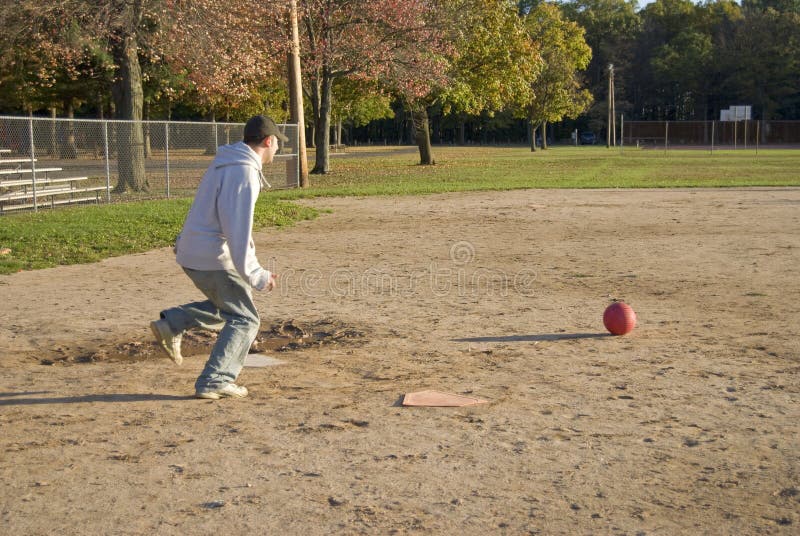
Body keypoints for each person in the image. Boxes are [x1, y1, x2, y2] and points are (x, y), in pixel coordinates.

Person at [150, 115, 287, 400]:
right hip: (212, 255)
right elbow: (235, 227)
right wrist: (256, 273)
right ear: (268, 141)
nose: (277, 150)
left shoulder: (227, 163)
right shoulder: (243, 172)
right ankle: (216, 379)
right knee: (245, 318)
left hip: (193, 250)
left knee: (231, 304)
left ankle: (173, 322)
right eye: (277, 145)